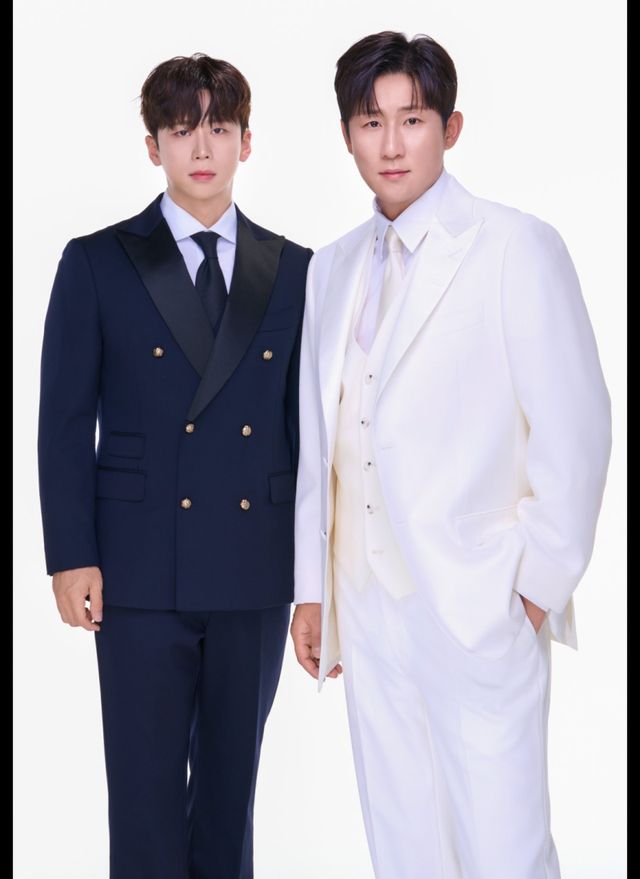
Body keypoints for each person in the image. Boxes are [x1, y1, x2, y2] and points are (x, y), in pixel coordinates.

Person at [290, 30, 611, 879]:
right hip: (367, 609)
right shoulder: (330, 269)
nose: (392, 144)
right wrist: (313, 589)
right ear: (347, 136)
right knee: (403, 848)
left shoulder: (514, 245)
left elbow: (577, 426)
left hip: (478, 600)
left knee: (504, 848)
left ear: (450, 128)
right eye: (371, 123)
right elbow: (318, 440)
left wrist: (532, 589)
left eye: (413, 119)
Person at [38, 52, 311, 879]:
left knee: (230, 800)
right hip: (136, 568)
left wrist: (313, 579)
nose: (201, 147)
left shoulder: (294, 268)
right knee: (144, 797)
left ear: (247, 142)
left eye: (218, 128)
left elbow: (310, 434)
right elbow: (63, 421)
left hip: (254, 567)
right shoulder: (98, 261)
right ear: (152, 144)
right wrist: (70, 555)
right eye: (182, 128)